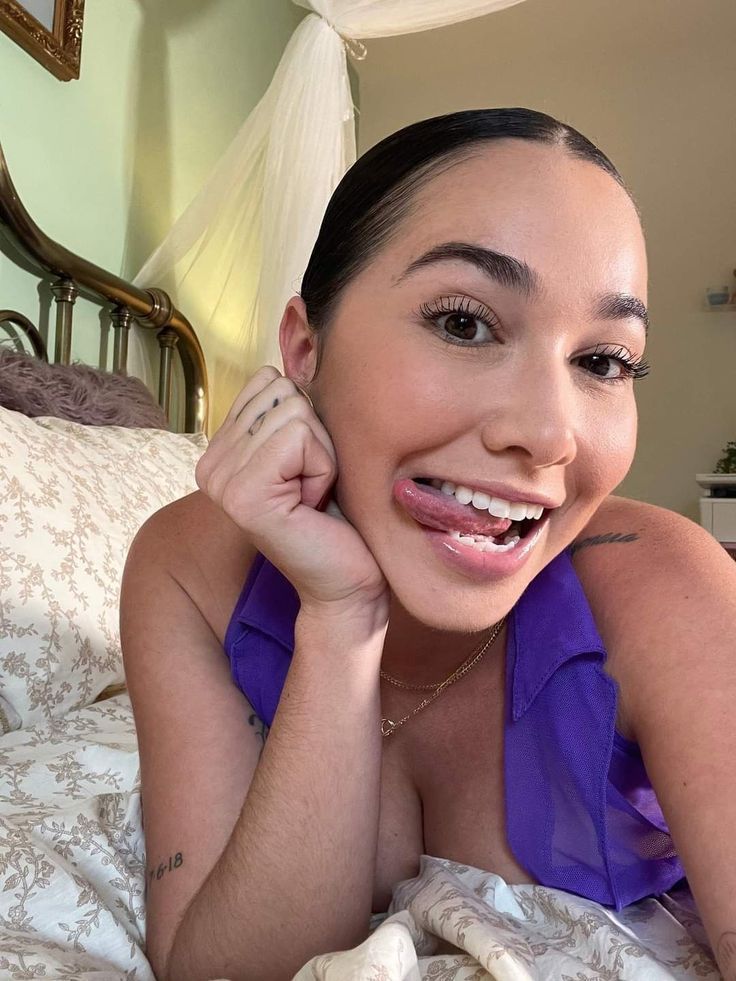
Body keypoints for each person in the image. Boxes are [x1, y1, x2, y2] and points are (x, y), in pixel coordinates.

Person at [120, 108, 736, 981]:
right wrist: (341, 619)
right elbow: (222, 969)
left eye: (603, 361)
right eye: (463, 323)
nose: (550, 435)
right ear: (305, 347)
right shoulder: (188, 569)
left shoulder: (667, 588)